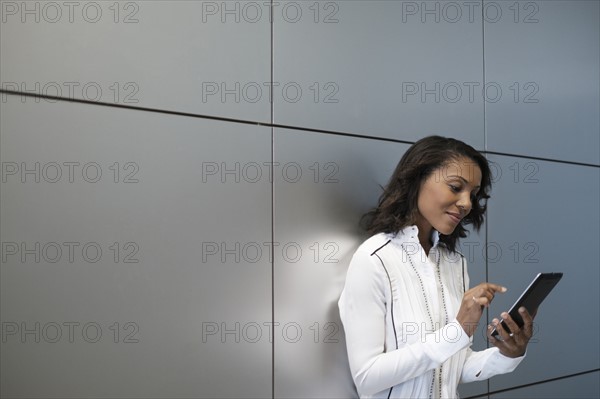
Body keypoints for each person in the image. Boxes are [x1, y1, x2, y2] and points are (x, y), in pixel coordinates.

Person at [338, 136, 534, 399]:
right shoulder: (374, 260)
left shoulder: (454, 263)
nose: (467, 203)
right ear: (417, 180)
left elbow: (453, 366)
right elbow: (367, 377)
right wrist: (457, 330)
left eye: (473, 194)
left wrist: (508, 354)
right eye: (456, 187)